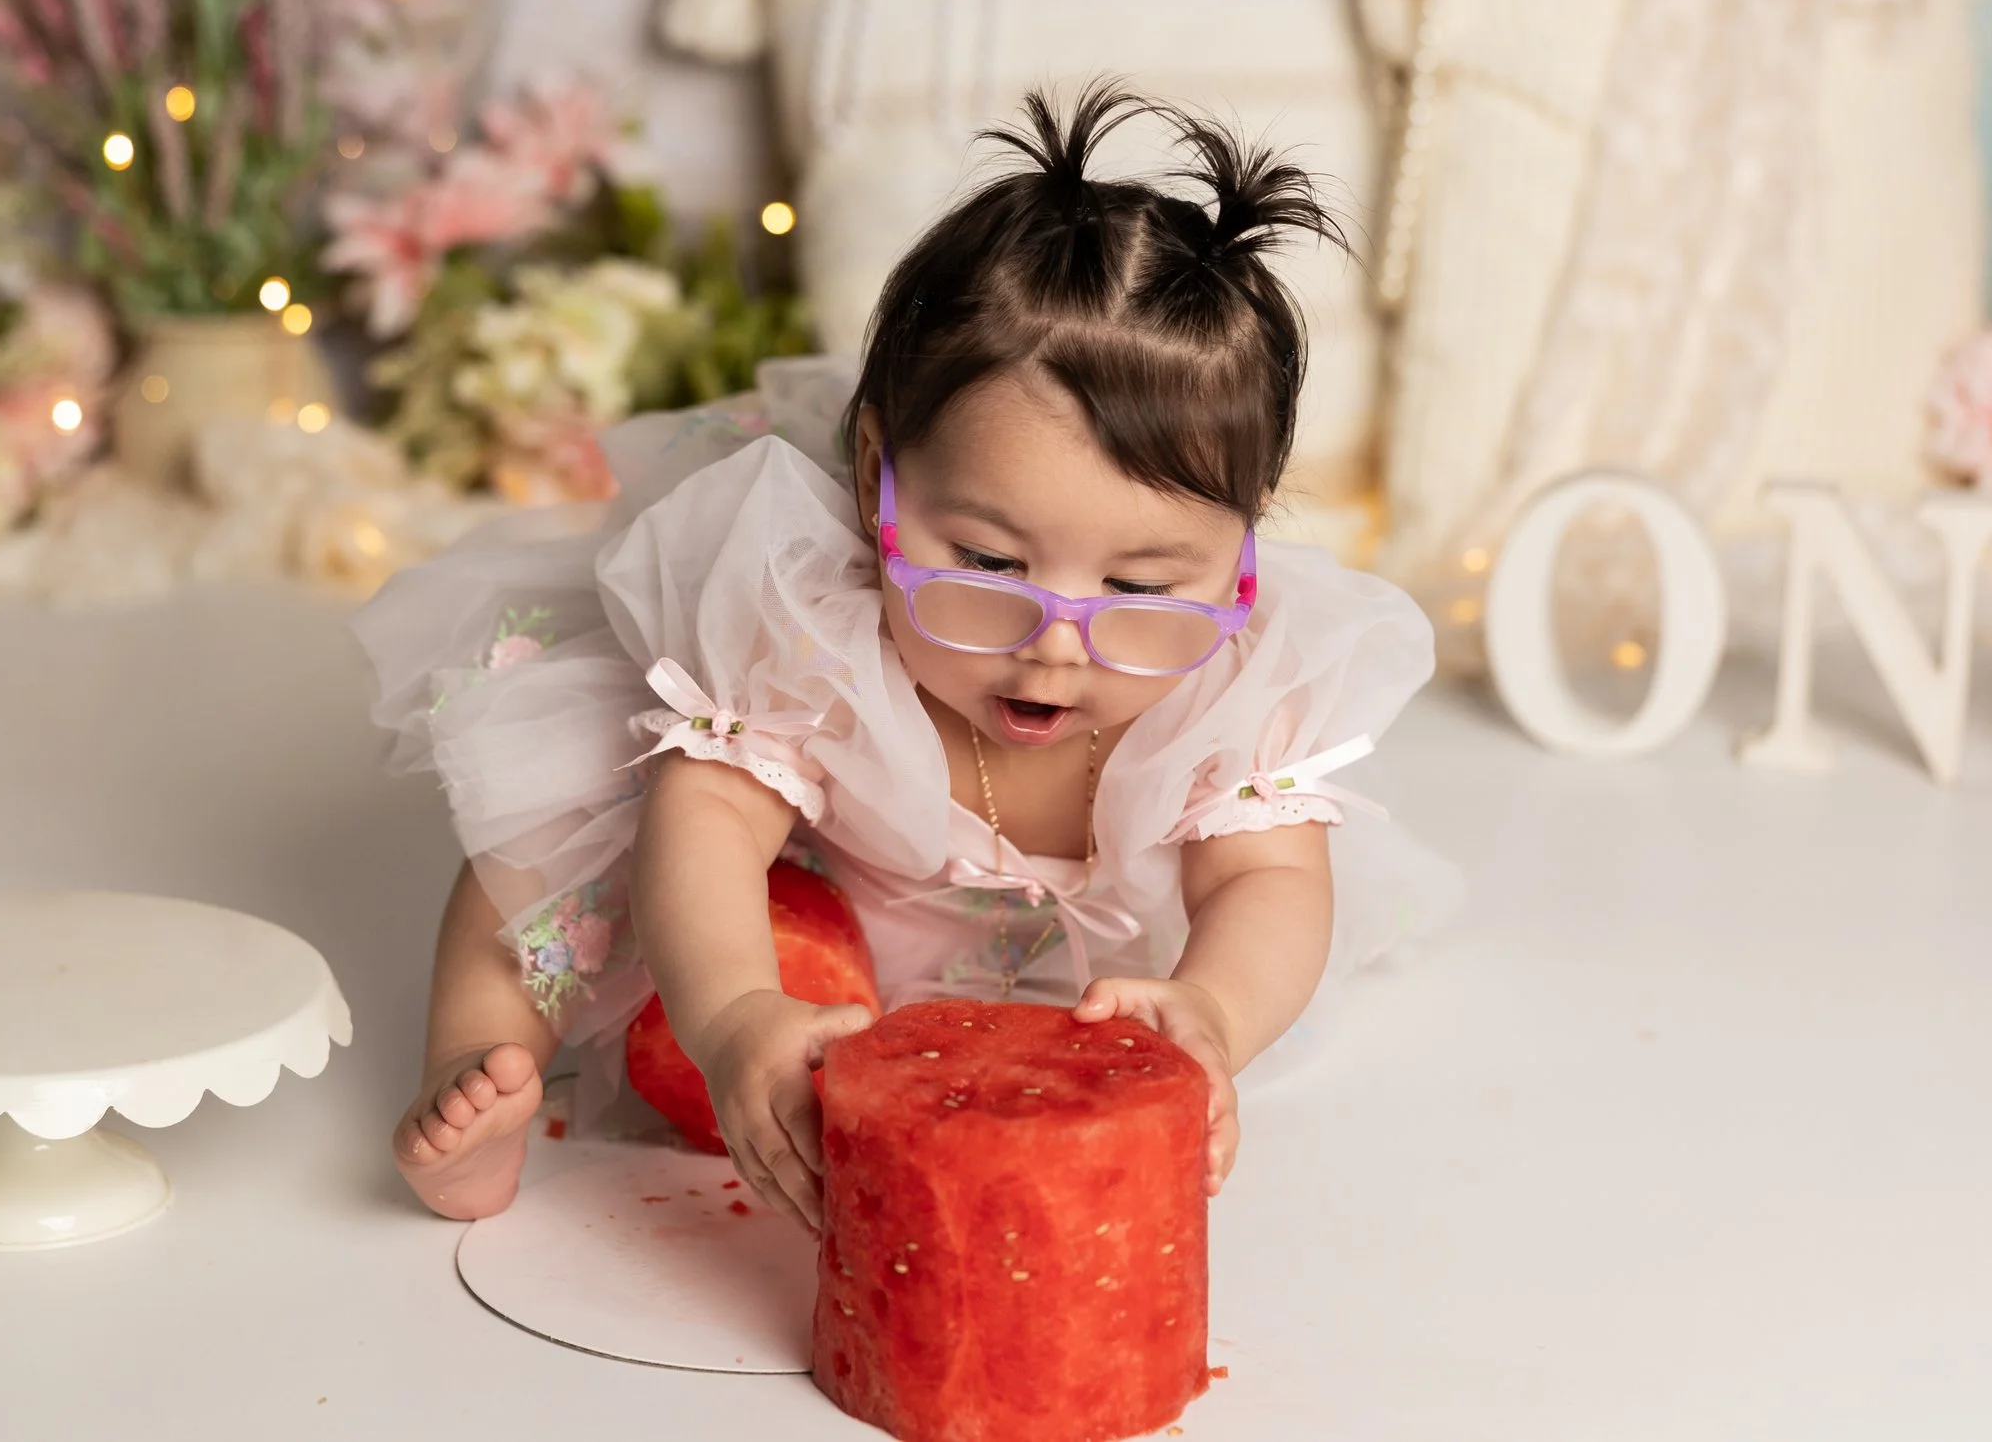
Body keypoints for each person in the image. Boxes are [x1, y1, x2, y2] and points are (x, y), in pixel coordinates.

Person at [353, 82, 1445, 1227]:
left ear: (1242, 538)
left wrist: (1212, 1009)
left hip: (1019, 978)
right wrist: (731, 1016)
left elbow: (1267, 877)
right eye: (985, 560)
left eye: (1138, 585)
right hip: (794, 894)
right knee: (540, 835)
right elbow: (713, 813)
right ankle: (474, 1077)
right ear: (880, 470)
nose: (1053, 647)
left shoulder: (1238, 680)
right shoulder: (813, 626)